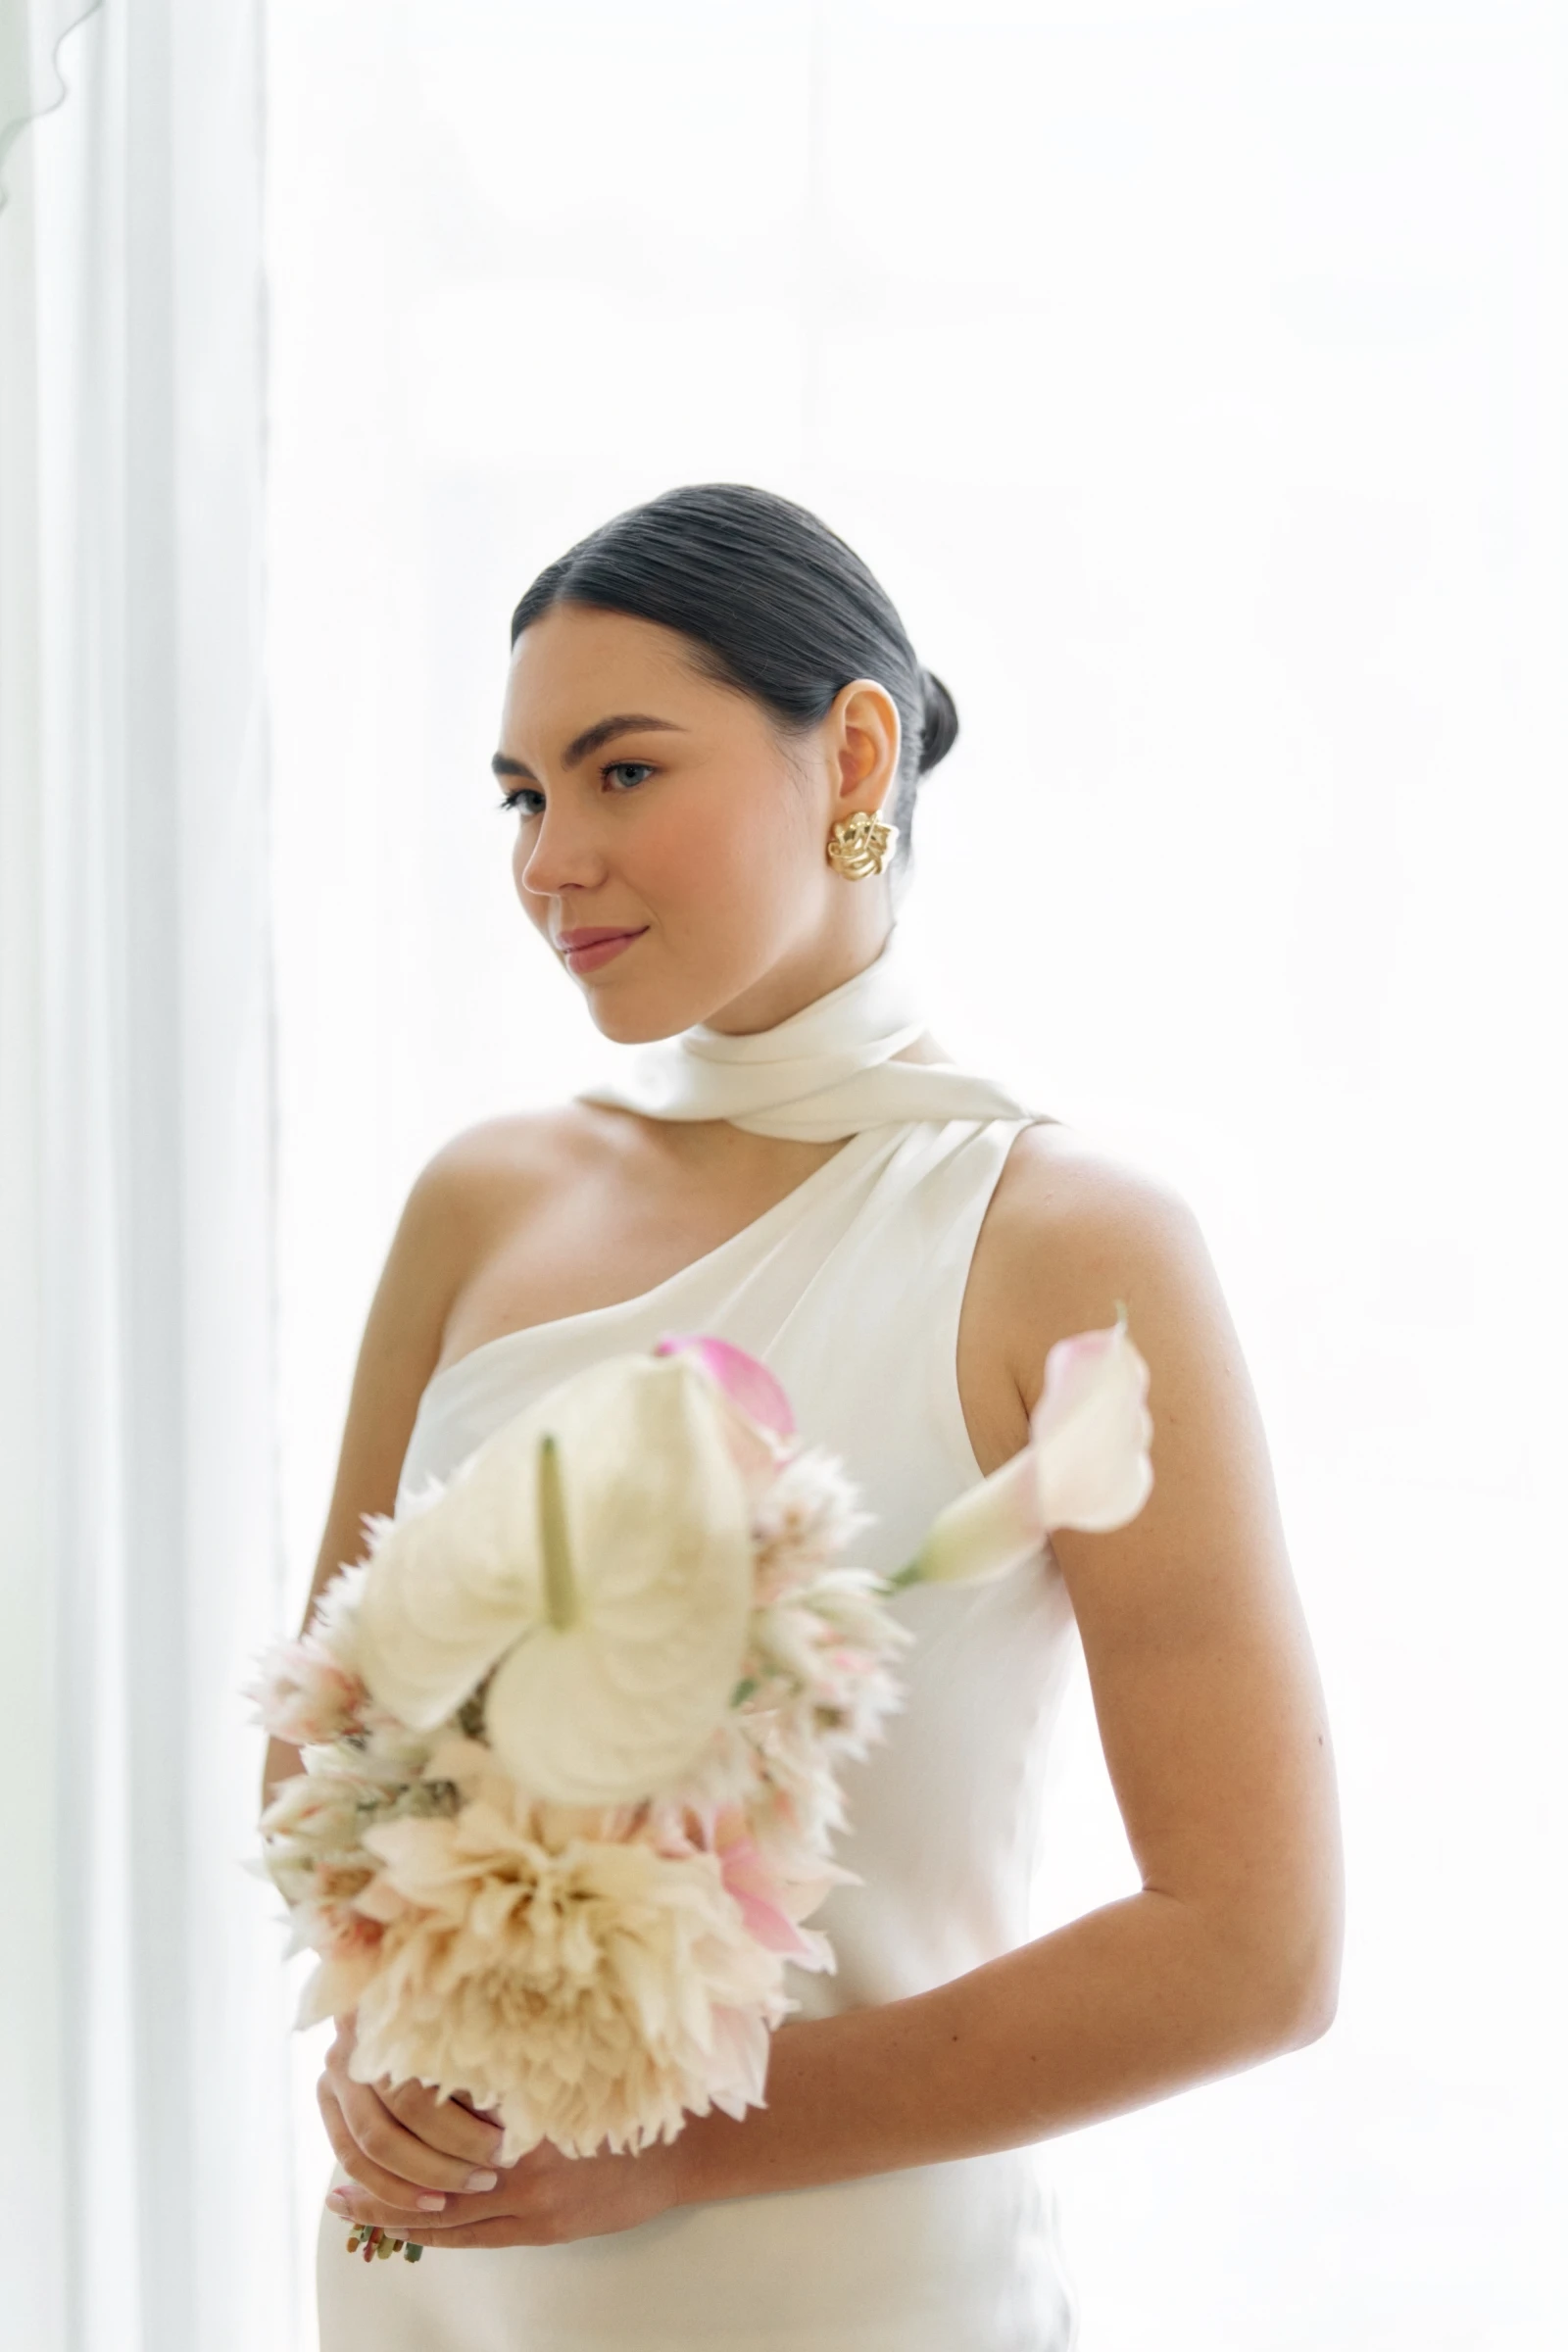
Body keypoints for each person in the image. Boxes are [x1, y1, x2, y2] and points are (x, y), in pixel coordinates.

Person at [262, 482, 1343, 2350]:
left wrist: (678, 2144)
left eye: (621, 773)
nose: (549, 862)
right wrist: (372, 2042)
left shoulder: (1065, 1243)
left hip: (849, 2296)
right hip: (445, 2282)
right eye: (521, 797)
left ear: (850, 753)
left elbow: (1257, 1949)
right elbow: (319, 1764)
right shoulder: (482, 1204)